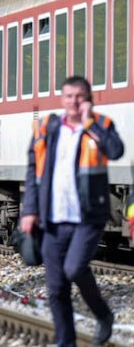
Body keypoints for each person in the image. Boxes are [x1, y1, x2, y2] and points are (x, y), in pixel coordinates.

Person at [20, 76, 124, 347]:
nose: (74, 101)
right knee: (56, 289)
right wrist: (29, 210)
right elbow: (33, 171)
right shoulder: (47, 128)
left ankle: (103, 315)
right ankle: (66, 343)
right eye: (69, 96)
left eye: (79, 96)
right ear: (62, 99)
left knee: (74, 267)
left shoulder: (101, 125)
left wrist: (89, 123)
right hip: (52, 218)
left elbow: (116, 151)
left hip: (87, 218)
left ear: (88, 99)